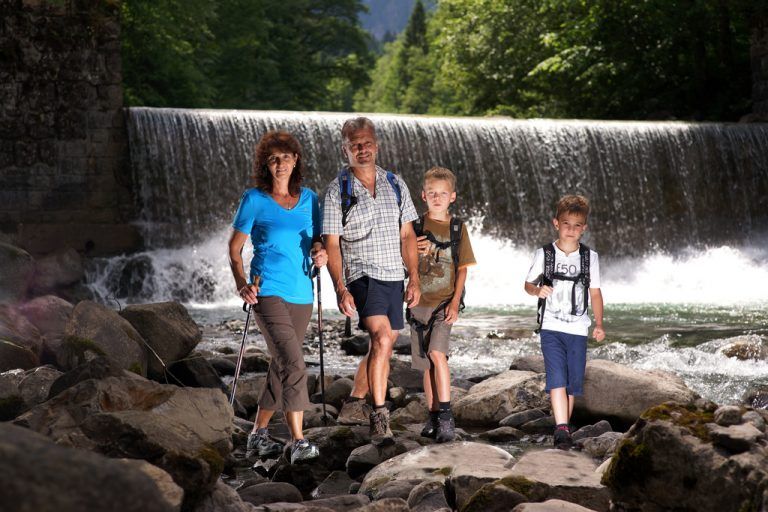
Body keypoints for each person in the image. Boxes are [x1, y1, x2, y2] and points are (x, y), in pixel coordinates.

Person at [228, 130, 327, 464]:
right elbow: (234, 248)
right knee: (294, 363)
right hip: (267, 290)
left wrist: (320, 251)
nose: (280, 164)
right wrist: (242, 283)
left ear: (295, 160)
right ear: (265, 165)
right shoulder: (255, 199)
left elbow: (317, 239)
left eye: (285, 157)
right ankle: (298, 440)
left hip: (302, 293)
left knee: (281, 362)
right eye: (273, 159)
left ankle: (258, 433)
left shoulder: (310, 199)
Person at [323, 116, 421, 446]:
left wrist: (414, 278)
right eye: (355, 145)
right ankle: (379, 417)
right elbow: (332, 243)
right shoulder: (338, 191)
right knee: (381, 339)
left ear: (376, 146)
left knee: (385, 342)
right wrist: (340, 287)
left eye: (366, 143)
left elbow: (407, 235)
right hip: (362, 274)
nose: (362, 149)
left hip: (394, 274)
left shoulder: (395, 183)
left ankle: (354, 401)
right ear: (345, 150)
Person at [524, 194, 605, 449]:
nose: (571, 229)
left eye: (577, 225)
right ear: (556, 223)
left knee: (571, 383)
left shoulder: (590, 258)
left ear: (584, 228)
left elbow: (595, 293)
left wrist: (599, 324)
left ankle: (563, 427)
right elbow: (527, 285)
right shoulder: (544, 254)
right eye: (566, 224)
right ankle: (561, 428)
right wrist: (537, 291)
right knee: (556, 377)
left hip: (578, 328)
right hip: (551, 326)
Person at [408, 167, 475, 443]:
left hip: (444, 302)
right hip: (417, 304)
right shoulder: (413, 227)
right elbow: (403, 261)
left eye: (443, 194)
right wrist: (412, 250)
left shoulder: (457, 228)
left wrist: (455, 301)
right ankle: (433, 414)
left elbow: (463, 268)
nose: (437, 198)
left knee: (438, 354)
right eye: (432, 193)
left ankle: (447, 417)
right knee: (426, 364)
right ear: (423, 196)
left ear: (452, 197)